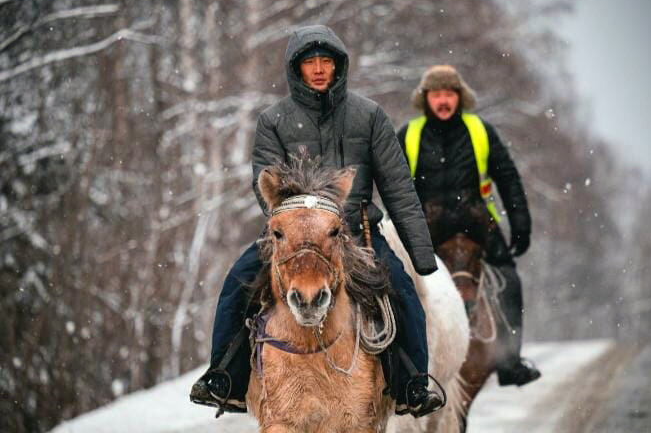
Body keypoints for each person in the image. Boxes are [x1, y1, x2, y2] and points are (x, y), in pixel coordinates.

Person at [190, 25, 444, 417]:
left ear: (340, 65)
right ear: (297, 68)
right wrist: (292, 226)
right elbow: (267, 185)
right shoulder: (273, 120)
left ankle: (412, 384)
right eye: (311, 62)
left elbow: (398, 188)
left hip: (356, 234)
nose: (320, 69)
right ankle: (225, 380)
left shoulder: (370, 115)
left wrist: (421, 254)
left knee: (402, 291)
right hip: (290, 237)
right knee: (236, 284)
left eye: (327, 61)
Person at [397, 65, 541, 386]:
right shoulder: (408, 134)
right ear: (426, 99)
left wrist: (521, 223)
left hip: (477, 224)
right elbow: (391, 183)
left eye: (450, 94)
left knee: (509, 278)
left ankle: (510, 362)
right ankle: (401, 365)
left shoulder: (481, 131)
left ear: (461, 97)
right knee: (398, 282)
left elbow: (508, 178)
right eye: (437, 94)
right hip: (427, 229)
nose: (443, 101)